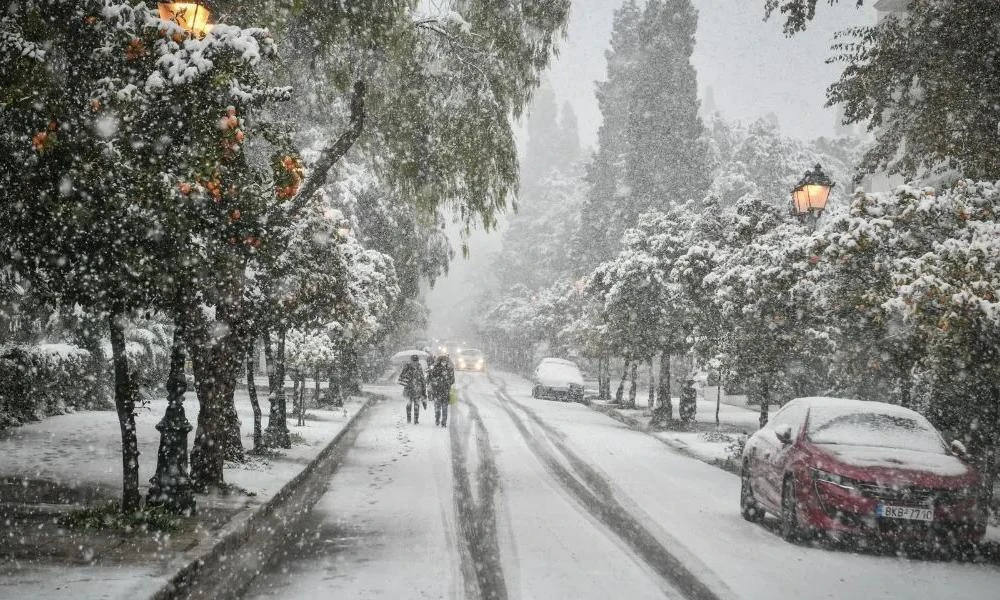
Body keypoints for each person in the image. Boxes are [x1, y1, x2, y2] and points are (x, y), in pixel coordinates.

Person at [397, 354, 427, 424]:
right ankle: (409, 419)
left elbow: (422, 377)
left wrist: (423, 388)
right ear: (411, 361)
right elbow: (401, 377)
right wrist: (408, 374)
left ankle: (416, 420)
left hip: (417, 388)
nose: (415, 363)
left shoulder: (419, 366)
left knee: (416, 404)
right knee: (409, 404)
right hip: (408, 388)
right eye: (414, 361)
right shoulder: (407, 367)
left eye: (416, 361)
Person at [428, 353, 455, 427]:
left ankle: (444, 423)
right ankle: (437, 419)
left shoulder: (449, 369)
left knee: (445, 409)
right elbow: (431, 378)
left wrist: (447, 381)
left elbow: (452, 380)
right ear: (440, 361)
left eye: (445, 361)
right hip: (437, 391)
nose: (444, 363)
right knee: (437, 408)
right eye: (443, 361)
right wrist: (437, 381)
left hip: (446, 391)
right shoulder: (436, 368)